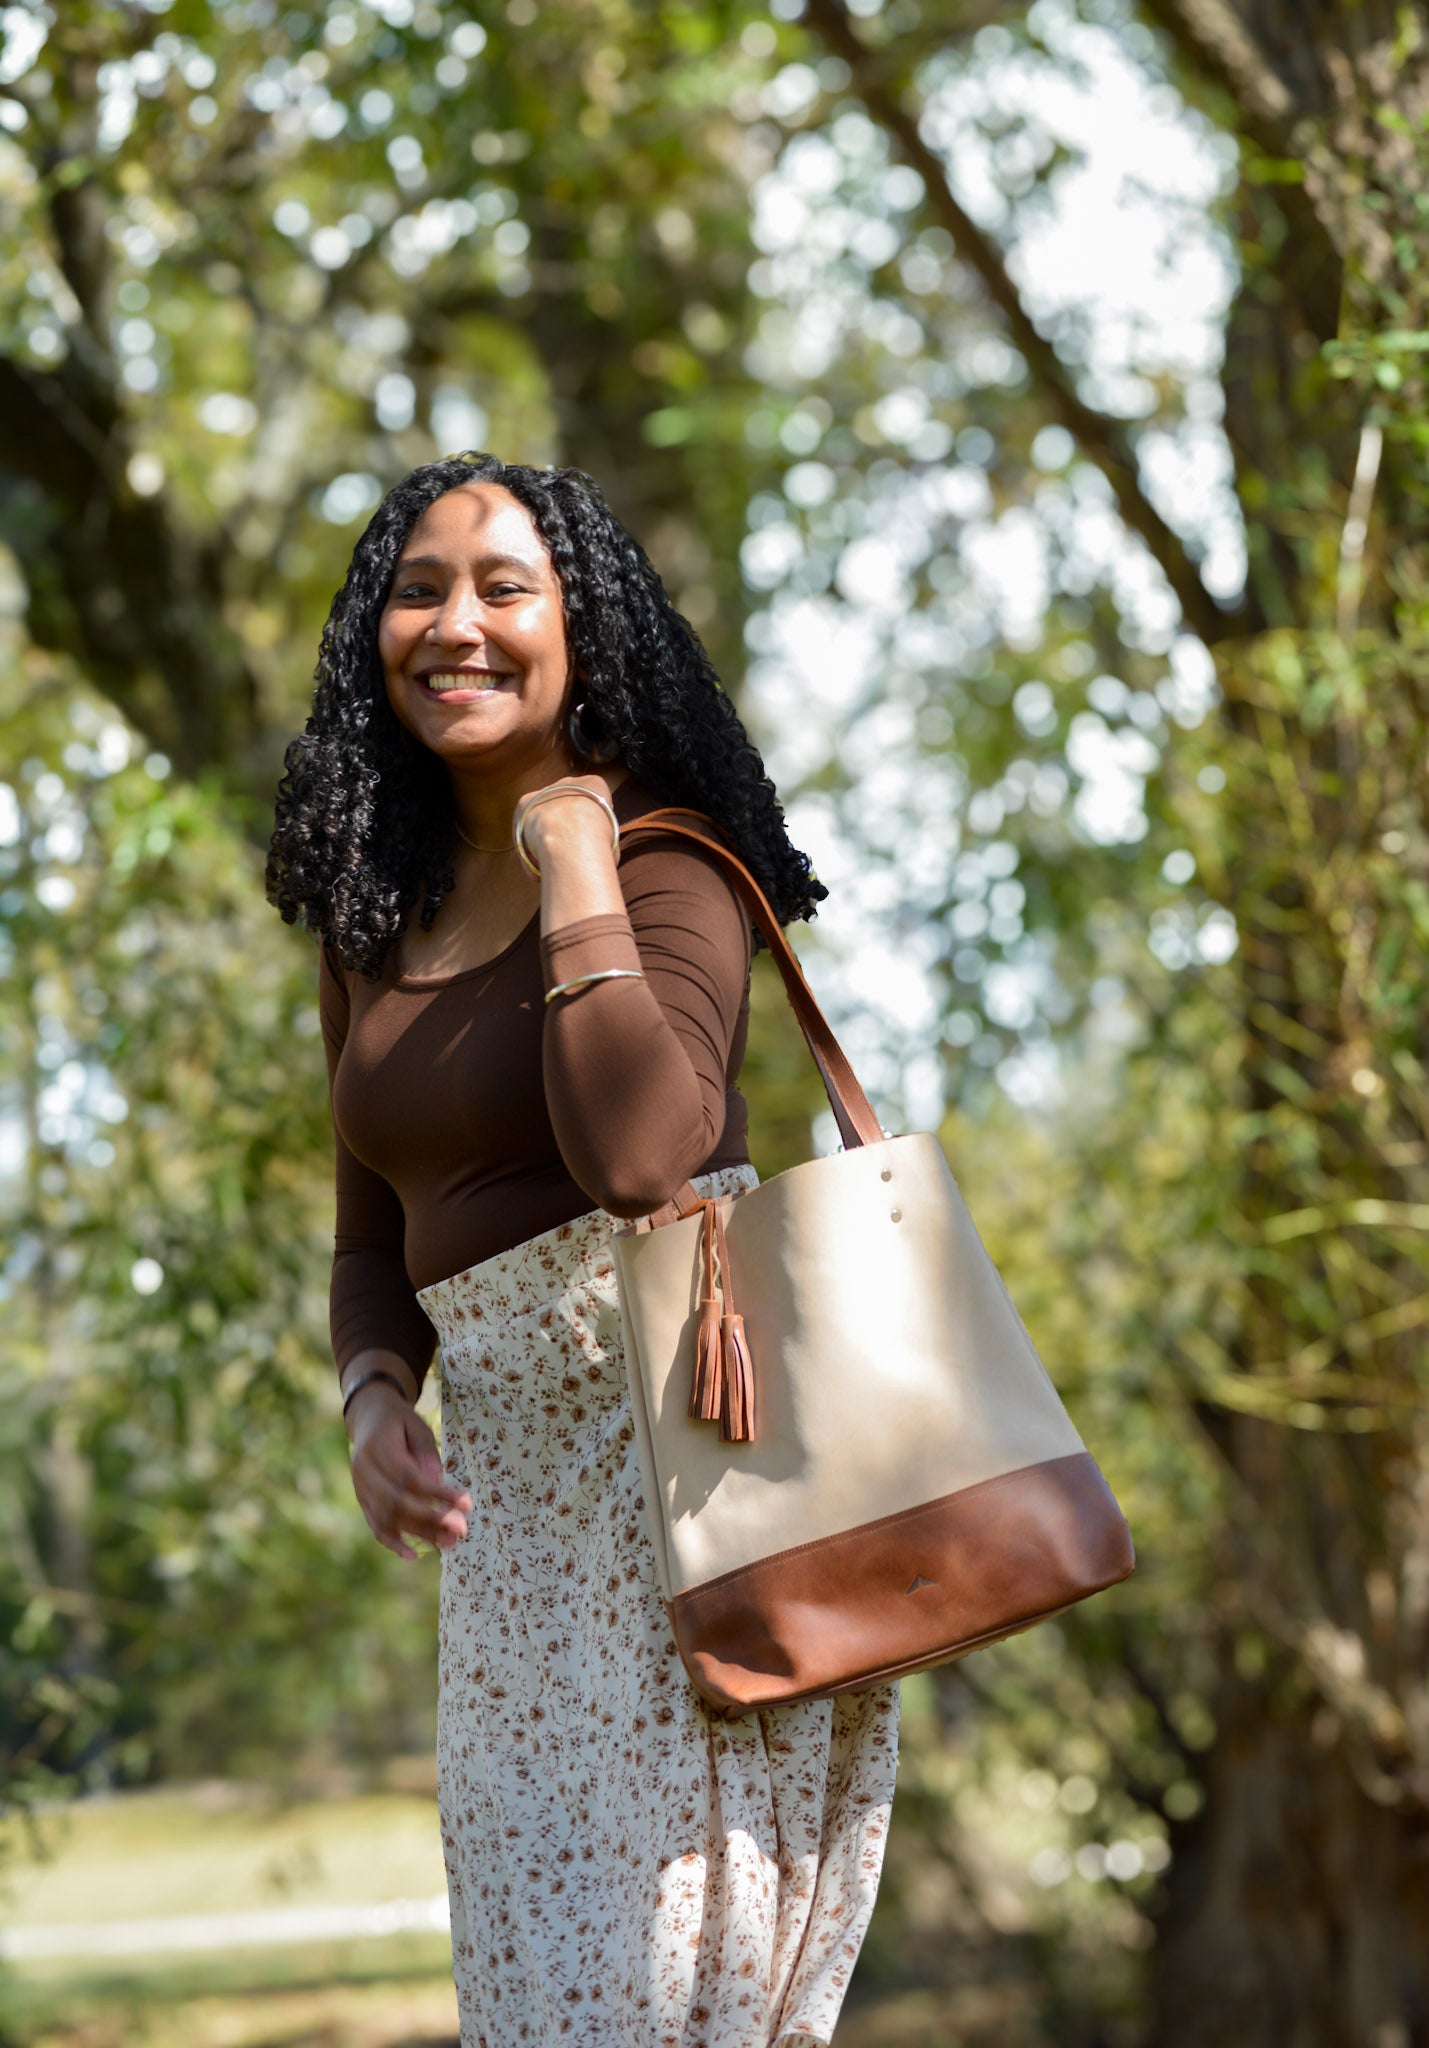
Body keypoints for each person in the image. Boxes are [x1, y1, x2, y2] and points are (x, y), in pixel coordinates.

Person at [267, 452, 899, 2048]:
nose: (453, 625)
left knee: (657, 2006)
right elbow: (373, 1227)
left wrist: (572, 862)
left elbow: (639, 1157)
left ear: (583, 632)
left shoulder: (669, 867)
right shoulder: (375, 917)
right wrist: (368, 1396)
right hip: (515, 1561)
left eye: (502, 589)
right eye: (419, 589)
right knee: (538, 2004)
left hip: (686, 1508)